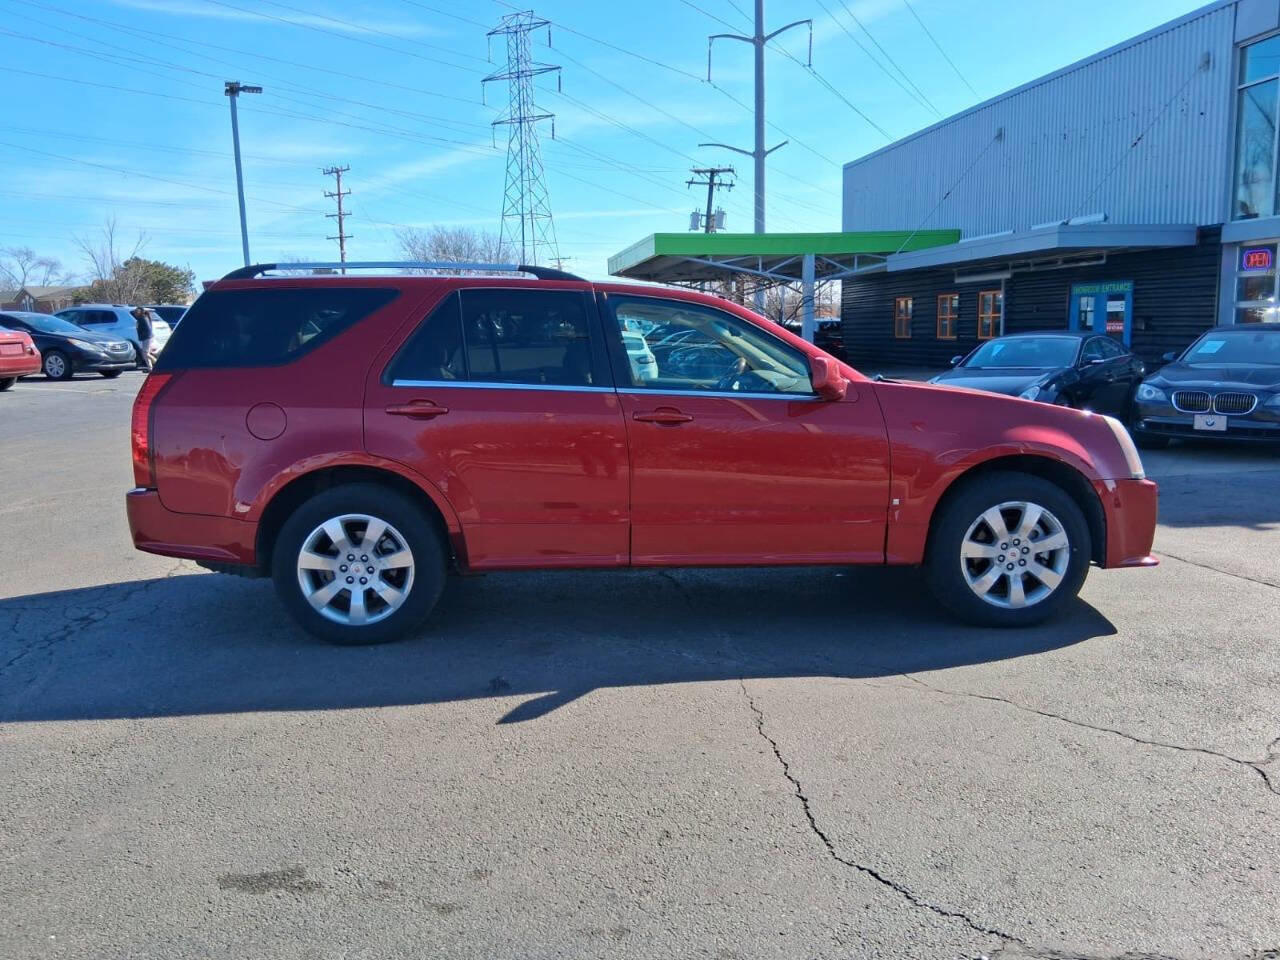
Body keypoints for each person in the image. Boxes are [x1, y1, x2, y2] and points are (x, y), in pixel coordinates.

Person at [132, 306, 153, 371]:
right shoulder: (140, 319)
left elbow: (148, 329)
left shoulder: (143, 319)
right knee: (145, 354)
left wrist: (145, 337)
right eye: (135, 312)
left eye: (137, 312)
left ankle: (156, 361)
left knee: (145, 353)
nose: (135, 313)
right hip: (145, 338)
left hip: (147, 338)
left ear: (141, 312)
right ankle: (150, 368)